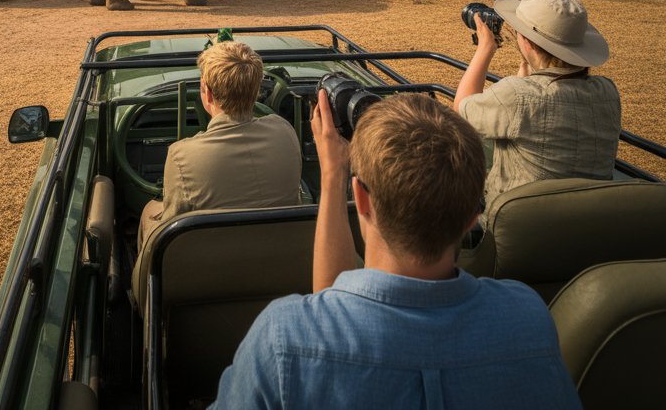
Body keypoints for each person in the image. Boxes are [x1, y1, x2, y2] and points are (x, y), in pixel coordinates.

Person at [210, 93, 580, 408]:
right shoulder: (528, 322)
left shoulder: (284, 340)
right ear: (472, 217)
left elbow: (333, 322)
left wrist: (332, 172)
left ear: (362, 200)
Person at [454, 0, 621, 218]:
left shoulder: (516, 95)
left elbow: (461, 110)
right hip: (590, 222)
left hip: (520, 227)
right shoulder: (608, 91)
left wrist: (485, 48)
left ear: (528, 43)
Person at [137, 40, 302, 248]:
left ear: (206, 92)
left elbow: (172, 229)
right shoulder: (285, 131)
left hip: (212, 266)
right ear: (257, 89)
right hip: (283, 254)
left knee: (149, 212)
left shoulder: (181, 155)